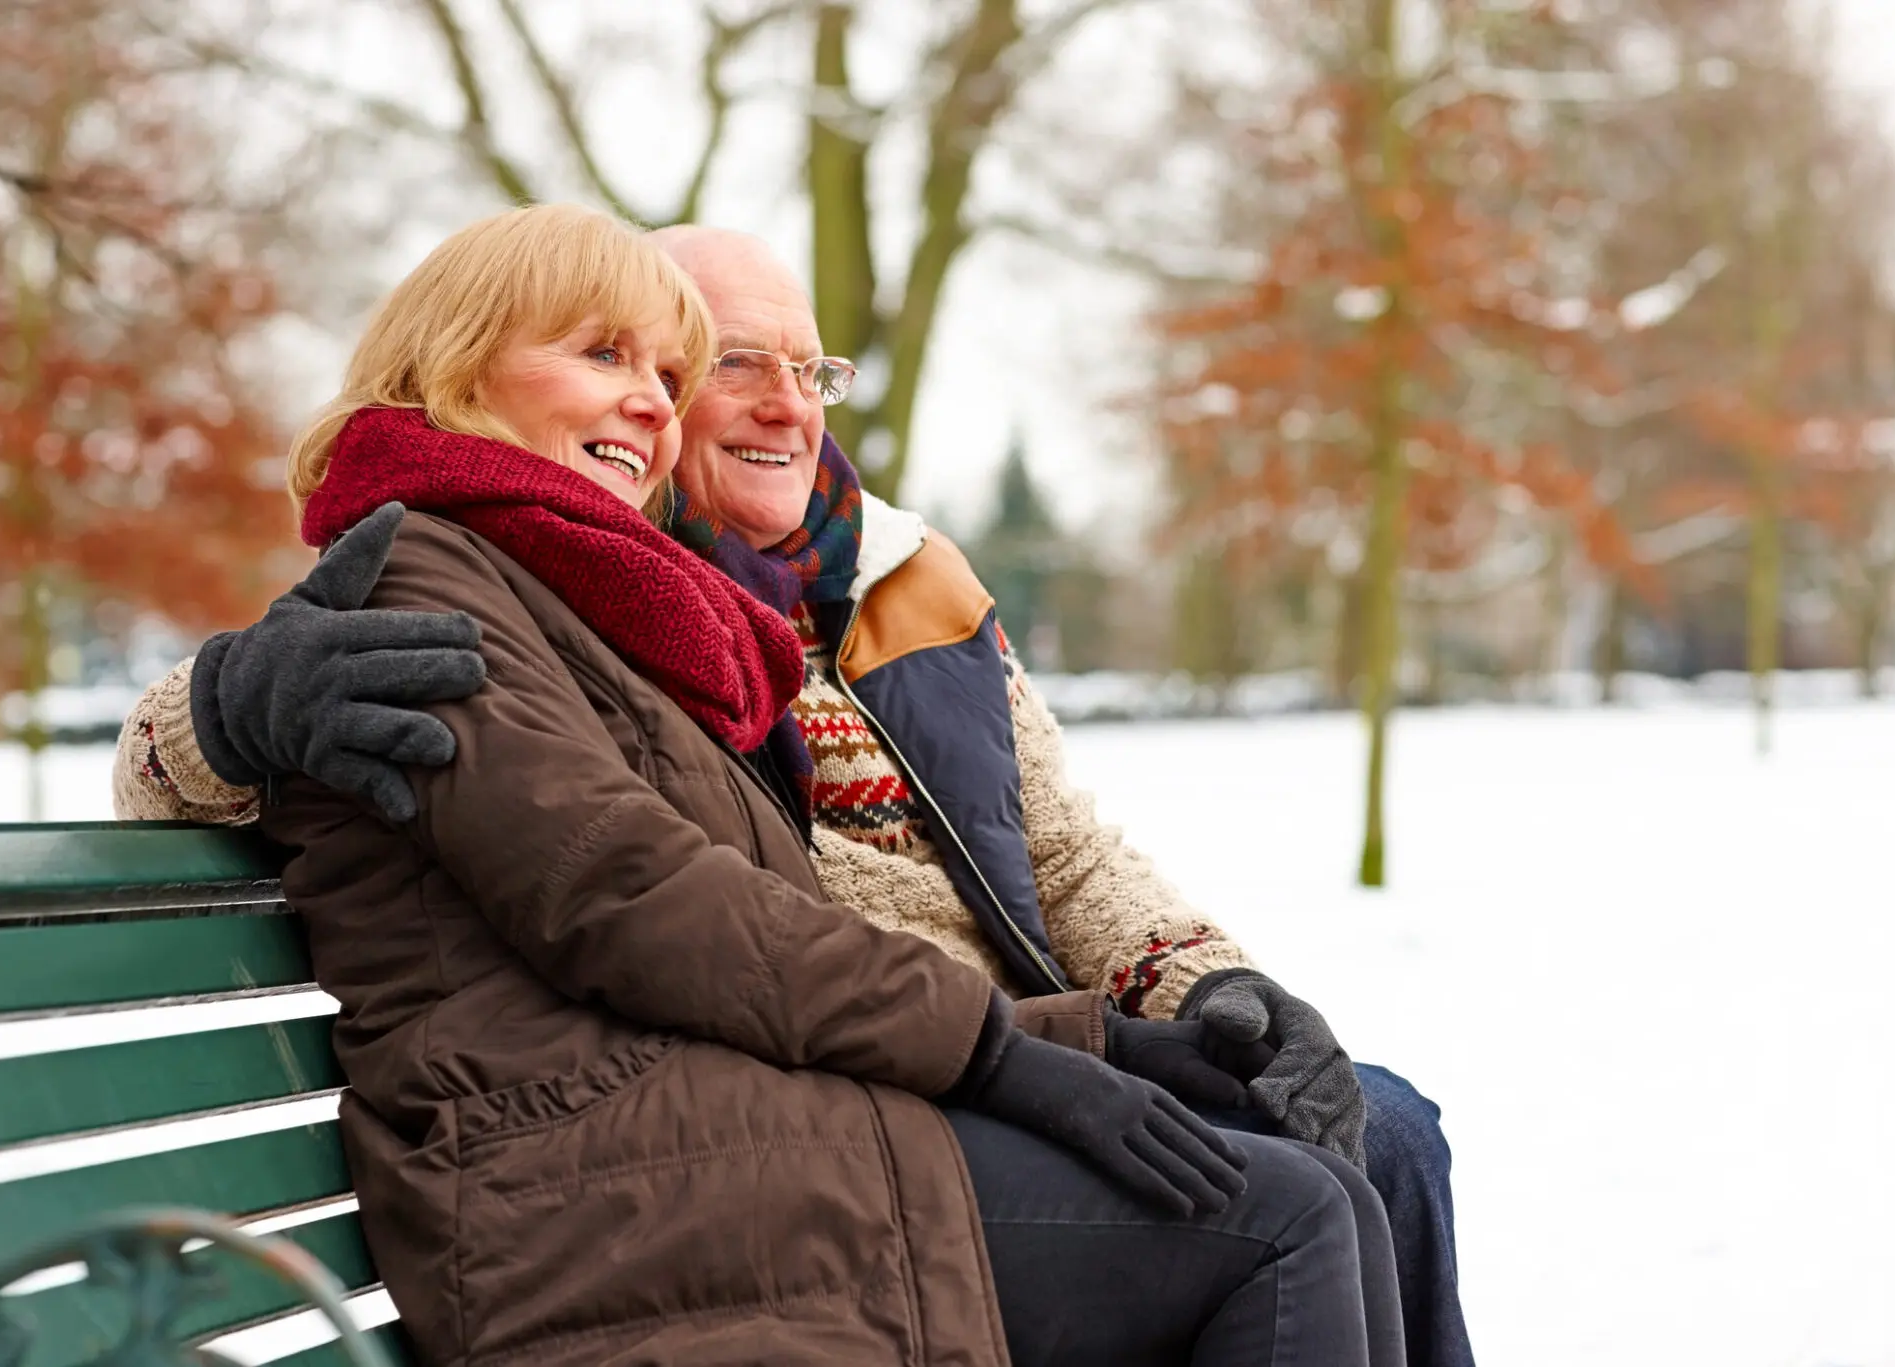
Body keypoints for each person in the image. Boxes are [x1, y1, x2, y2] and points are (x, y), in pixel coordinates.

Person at [115, 223, 1468, 1367]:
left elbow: (1062, 851)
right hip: (753, 1118)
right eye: (711, 364)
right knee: (1287, 1205)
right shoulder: (490, 584)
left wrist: (1197, 998)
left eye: (799, 366)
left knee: (1366, 1133)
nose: (765, 400)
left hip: (846, 1077)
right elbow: (630, 885)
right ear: (462, 369)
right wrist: (219, 711)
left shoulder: (864, 595)